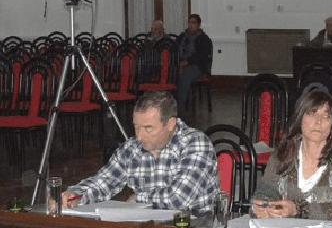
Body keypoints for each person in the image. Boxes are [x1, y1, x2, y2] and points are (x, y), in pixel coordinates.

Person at [61, 91, 219, 212]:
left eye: (148, 128)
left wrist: (139, 197)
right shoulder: (132, 148)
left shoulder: (196, 143)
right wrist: (75, 194)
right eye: (136, 127)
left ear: (171, 124)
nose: (139, 136)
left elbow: (179, 199)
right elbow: (103, 182)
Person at [251, 89, 332, 221]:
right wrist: (263, 207)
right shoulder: (285, 152)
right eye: (312, 114)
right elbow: (266, 191)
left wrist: (298, 209)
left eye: (326, 116)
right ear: (300, 119)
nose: (318, 122)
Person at [176, 13, 213, 112]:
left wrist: (186, 62)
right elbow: (174, 49)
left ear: (198, 25)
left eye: (193, 23)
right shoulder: (182, 36)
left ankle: (180, 106)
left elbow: (201, 56)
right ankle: (168, 104)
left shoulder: (203, 39)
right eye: (189, 22)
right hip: (180, 63)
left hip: (197, 65)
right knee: (170, 74)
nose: (191, 25)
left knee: (185, 75)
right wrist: (178, 63)